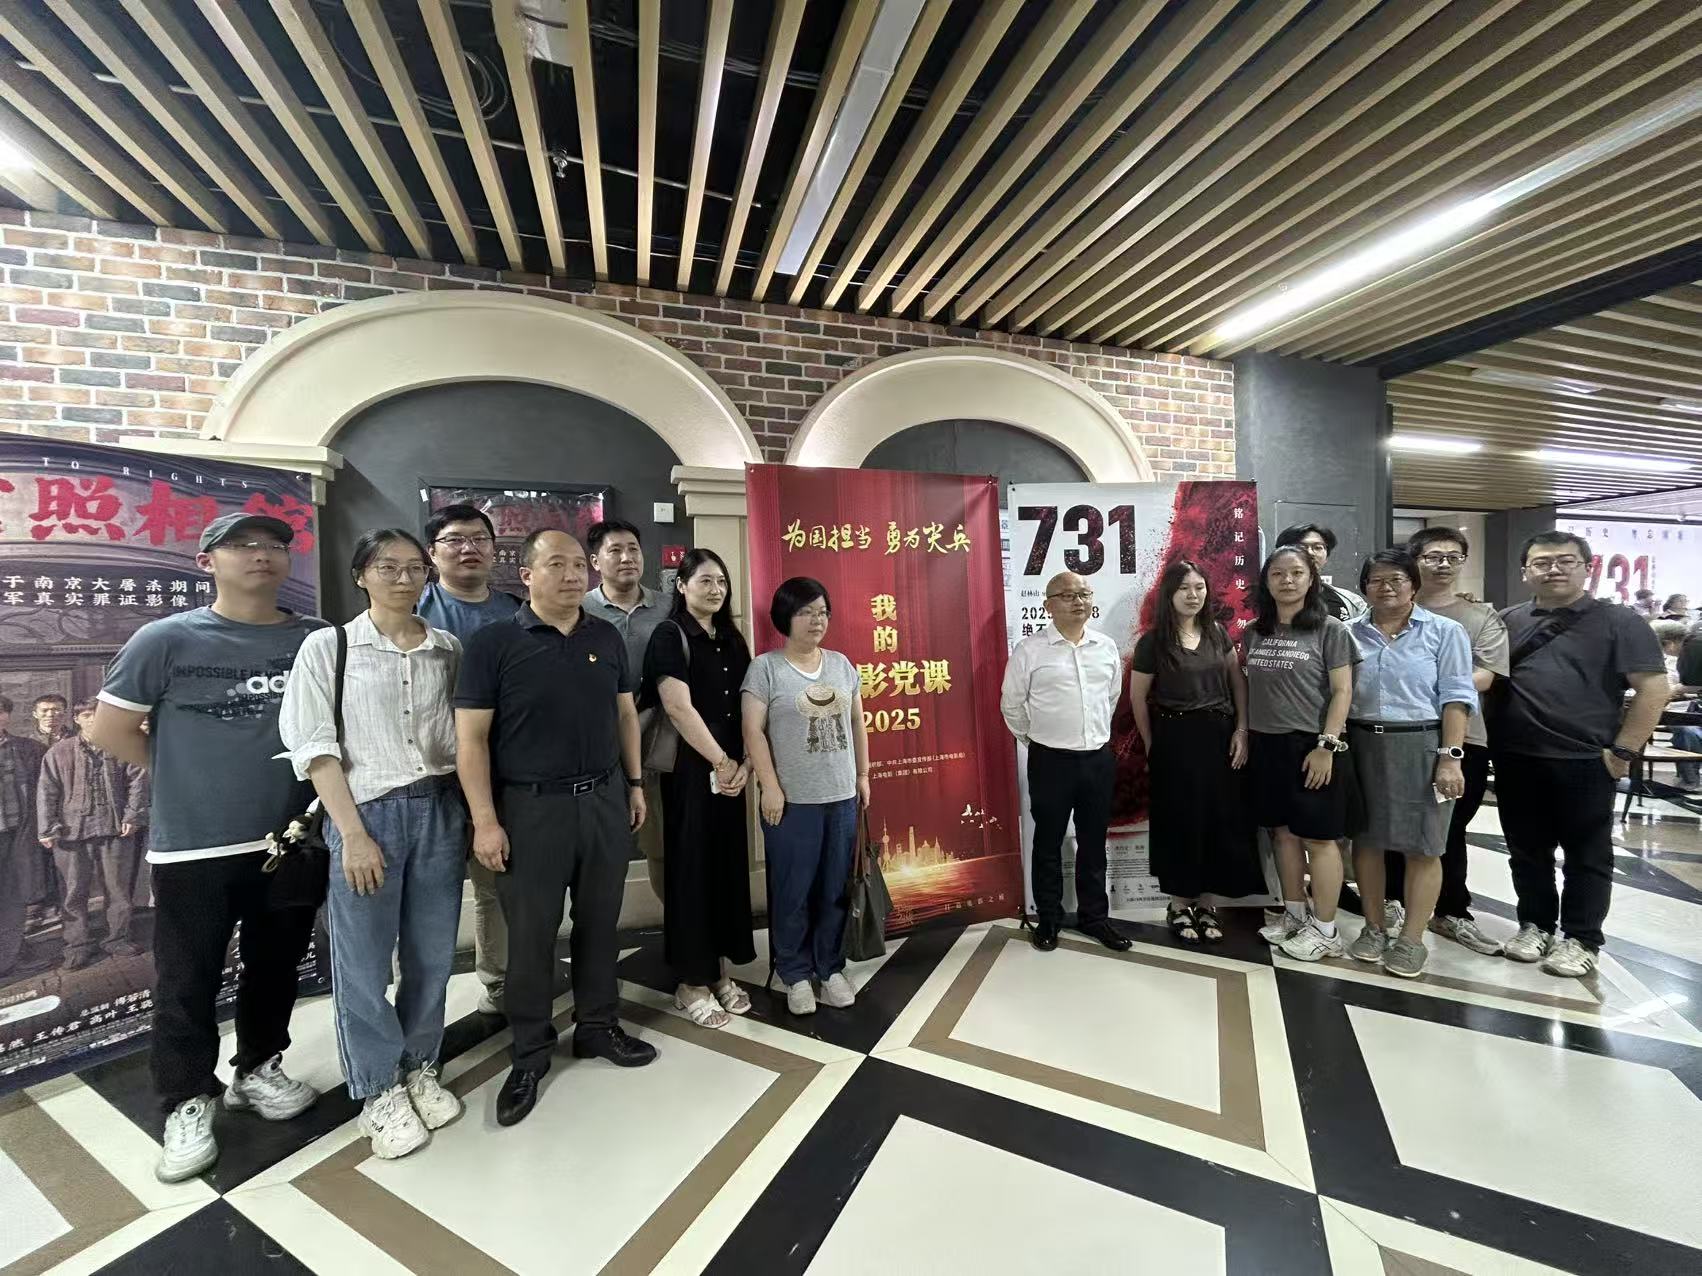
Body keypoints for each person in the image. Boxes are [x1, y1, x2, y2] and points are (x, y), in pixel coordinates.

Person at [88, 512, 322, 1184]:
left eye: (274, 545)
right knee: (187, 980)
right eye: (242, 546)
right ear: (206, 561)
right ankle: (187, 1099)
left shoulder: (315, 638)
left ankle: (257, 1069)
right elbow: (109, 730)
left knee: (275, 965)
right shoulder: (165, 639)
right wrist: (184, 777)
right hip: (195, 848)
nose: (262, 555)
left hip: (291, 837)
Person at [455, 530, 654, 1130]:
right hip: (529, 810)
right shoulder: (494, 643)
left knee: (600, 922)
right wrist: (485, 821)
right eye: (556, 564)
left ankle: (598, 1026)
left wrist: (634, 784)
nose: (571, 575)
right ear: (527, 574)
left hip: (603, 799)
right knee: (531, 936)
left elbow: (625, 713)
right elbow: (471, 740)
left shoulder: (604, 636)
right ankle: (530, 1052)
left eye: (577, 565)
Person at [279, 530, 466, 1161]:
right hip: (366, 814)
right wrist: (353, 835)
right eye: (388, 567)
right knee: (362, 963)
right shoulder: (328, 646)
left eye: (415, 568)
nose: (404, 578)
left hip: (439, 808)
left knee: (431, 954)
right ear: (361, 574)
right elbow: (314, 746)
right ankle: (378, 1087)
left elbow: (460, 737)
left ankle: (420, 1064)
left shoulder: (447, 648)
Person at [1486, 531, 1669, 978]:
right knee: (1526, 850)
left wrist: (1623, 751)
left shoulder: (1619, 621)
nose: (1554, 569)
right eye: (1542, 562)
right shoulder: (1507, 620)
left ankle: (1582, 938)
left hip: (1586, 758)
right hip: (1517, 755)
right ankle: (1535, 925)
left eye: (1566, 561)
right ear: (1525, 571)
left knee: (1587, 854)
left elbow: (1653, 688)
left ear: (1587, 568)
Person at [1343, 551, 1476, 979]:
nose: (1386, 588)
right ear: (1364, 588)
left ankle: (1412, 938)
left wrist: (1450, 758)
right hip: (1361, 742)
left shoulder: (1445, 632)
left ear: (1413, 585)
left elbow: (1457, 697)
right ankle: (1374, 927)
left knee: (1424, 844)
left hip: (1422, 743)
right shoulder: (1348, 633)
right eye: (1376, 580)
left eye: (1396, 579)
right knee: (1366, 841)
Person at [743, 578, 872, 1014]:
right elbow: (752, 731)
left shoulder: (841, 664)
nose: (816, 620)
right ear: (785, 617)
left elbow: (857, 722)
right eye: (805, 612)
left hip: (841, 797)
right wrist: (770, 786)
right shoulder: (766, 668)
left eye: (822, 612)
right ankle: (794, 971)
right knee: (793, 889)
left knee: (835, 887)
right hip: (792, 802)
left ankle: (830, 966)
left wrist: (863, 775)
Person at [643, 548, 754, 1028]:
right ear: (681, 585)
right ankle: (691, 982)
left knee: (727, 870)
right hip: (691, 772)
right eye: (705, 580)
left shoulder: (731, 637)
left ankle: (720, 971)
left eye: (721, 581)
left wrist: (746, 762)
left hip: (732, 770)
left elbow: (751, 703)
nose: (715, 589)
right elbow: (677, 707)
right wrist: (722, 761)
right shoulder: (670, 635)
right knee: (691, 873)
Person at [418, 503, 521, 1020]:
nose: (469, 549)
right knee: (426, 894)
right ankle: (419, 1009)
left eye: (479, 539)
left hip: (498, 771)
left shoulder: (516, 610)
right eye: (455, 540)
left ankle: (499, 983)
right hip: (428, 775)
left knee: (493, 886)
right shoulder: (413, 608)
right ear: (432, 552)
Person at [1127, 560, 1261, 945]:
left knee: (1219, 820)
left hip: (1220, 737)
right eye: (1184, 588)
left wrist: (1241, 730)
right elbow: (1138, 698)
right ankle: (1178, 904)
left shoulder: (1217, 633)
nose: (1193, 595)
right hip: (1174, 739)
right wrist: (1152, 744)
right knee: (1179, 820)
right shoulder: (1153, 642)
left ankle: (1207, 905)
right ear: (1169, 594)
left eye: (1199, 587)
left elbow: (1237, 684)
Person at [1000, 571, 1132, 954]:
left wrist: (1090, 735)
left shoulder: (1105, 647)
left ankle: (1095, 917)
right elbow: (1011, 705)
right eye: (1068, 595)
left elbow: (1111, 697)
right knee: (1048, 842)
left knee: (1093, 842)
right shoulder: (1030, 651)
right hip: (1050, 761)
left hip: (1097, 761)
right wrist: (1036, 739)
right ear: (1048, 605)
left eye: (1084, 594)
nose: (1079, 601)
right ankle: (1049, 919)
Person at [1392, 528, 1510, 956]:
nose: (1443, 564)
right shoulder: (1390, 609)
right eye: (1433, 556)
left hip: (1462, 739)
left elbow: (1485, 677)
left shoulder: (1481, 617)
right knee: (1391, 823)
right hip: (1396, 736)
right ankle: (1392, 904)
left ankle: (1451, 911)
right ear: (1414, 561)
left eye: (1453, 556)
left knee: (1448, 828)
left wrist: (1418, 683)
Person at [1243, 545, 1358, 962]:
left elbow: (1343, 691)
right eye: (1277, 574)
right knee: (1282, 834)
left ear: (1312, 580)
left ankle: (1326, 930)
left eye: (1296, 573)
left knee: (1320, 839)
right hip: (1266, 744)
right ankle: (1294, 915)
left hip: (1312, 745)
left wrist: (1326, 745)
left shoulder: (1330, 630)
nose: (1287, 581)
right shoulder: (1254, 631)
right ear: (1266, 581)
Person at [585, 519, 671, 904]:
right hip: (599, 745)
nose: (627, 558)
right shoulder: (581, 608)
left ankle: (674, 926)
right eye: (615, 551)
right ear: (595, 561)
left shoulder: (667, 607)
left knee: (660, 844)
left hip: (656, 743)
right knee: (601, 850)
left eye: (633, 549)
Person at [37, 700, 148, 970]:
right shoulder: (59, 752)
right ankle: (77, 945)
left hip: (115, 829)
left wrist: (132, 816)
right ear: (77, 719)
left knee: (118, 888)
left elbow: (137, 783)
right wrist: (47, 827)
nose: (93, 720)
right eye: (87, 715)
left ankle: (117, 938)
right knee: (73, 891)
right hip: (71, 832)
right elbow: (47, 791)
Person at [0, 696, 48, 979]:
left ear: (8, 716)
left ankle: (10, 956)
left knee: (13, 896)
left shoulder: (28, 749)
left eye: (1, 712)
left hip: (17, 833)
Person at [1276, 523, 1368, 622]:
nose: (1310, 553)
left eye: (1317, 547)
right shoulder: (1269, 598)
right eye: (1301, 547)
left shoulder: (1351, 602)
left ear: (1326, 556)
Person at [1652, 620, 1702, 791]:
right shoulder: (1695, 642)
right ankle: (1689, 778)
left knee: (1683, 727)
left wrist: (1668, 694)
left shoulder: (1691, 649)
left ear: (1669, 643)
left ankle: (1690, 779)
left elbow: (1692, 684)